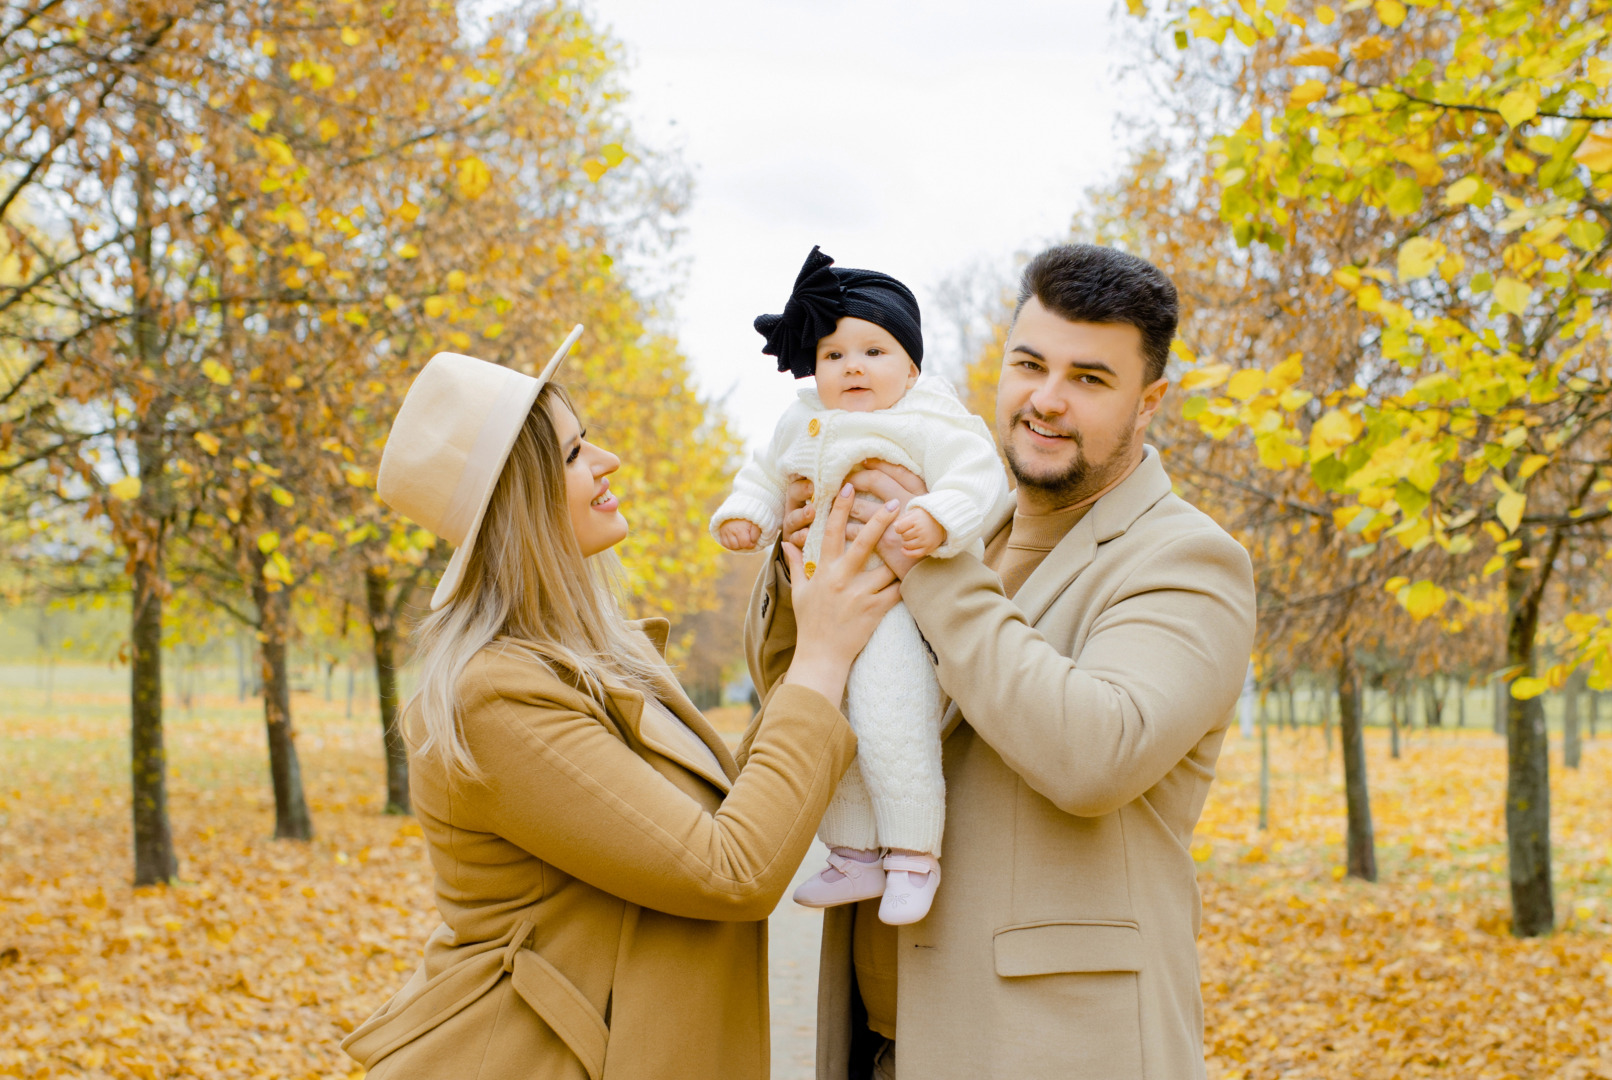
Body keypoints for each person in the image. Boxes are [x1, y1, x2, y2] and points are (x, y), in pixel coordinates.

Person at [745, 244, 1258, 1079]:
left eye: (1090, 379)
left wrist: (931, 567)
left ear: (1150, 400)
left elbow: (1095, 755)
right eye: (1029, 365)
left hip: (1049, 1050)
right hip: (883, 1043)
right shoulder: (959, 522)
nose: (1045, 402)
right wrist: (807, 548)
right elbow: (807, 700)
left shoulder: (1188, 561)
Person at [341, 335, 903, 1080]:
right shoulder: (498, 697)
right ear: (522, 497)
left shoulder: (598, 656)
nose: (607, 462)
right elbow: (733, 868)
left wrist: (812, 601)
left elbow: (730, 807)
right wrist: (823, 658)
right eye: (574, 454)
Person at [713, 246, 1007, 926]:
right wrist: (748, 515)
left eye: (874, 352)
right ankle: (852, 853)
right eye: (835, 355)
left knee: (892, 721)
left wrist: (937, 517)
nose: (852, 368)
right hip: (820, 605)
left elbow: (979, 482)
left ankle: (911, 852)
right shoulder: (798, 420)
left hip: (894, 608)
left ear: (911, 365)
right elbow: (763, 475)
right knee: (830, 723)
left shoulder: (933, 420)